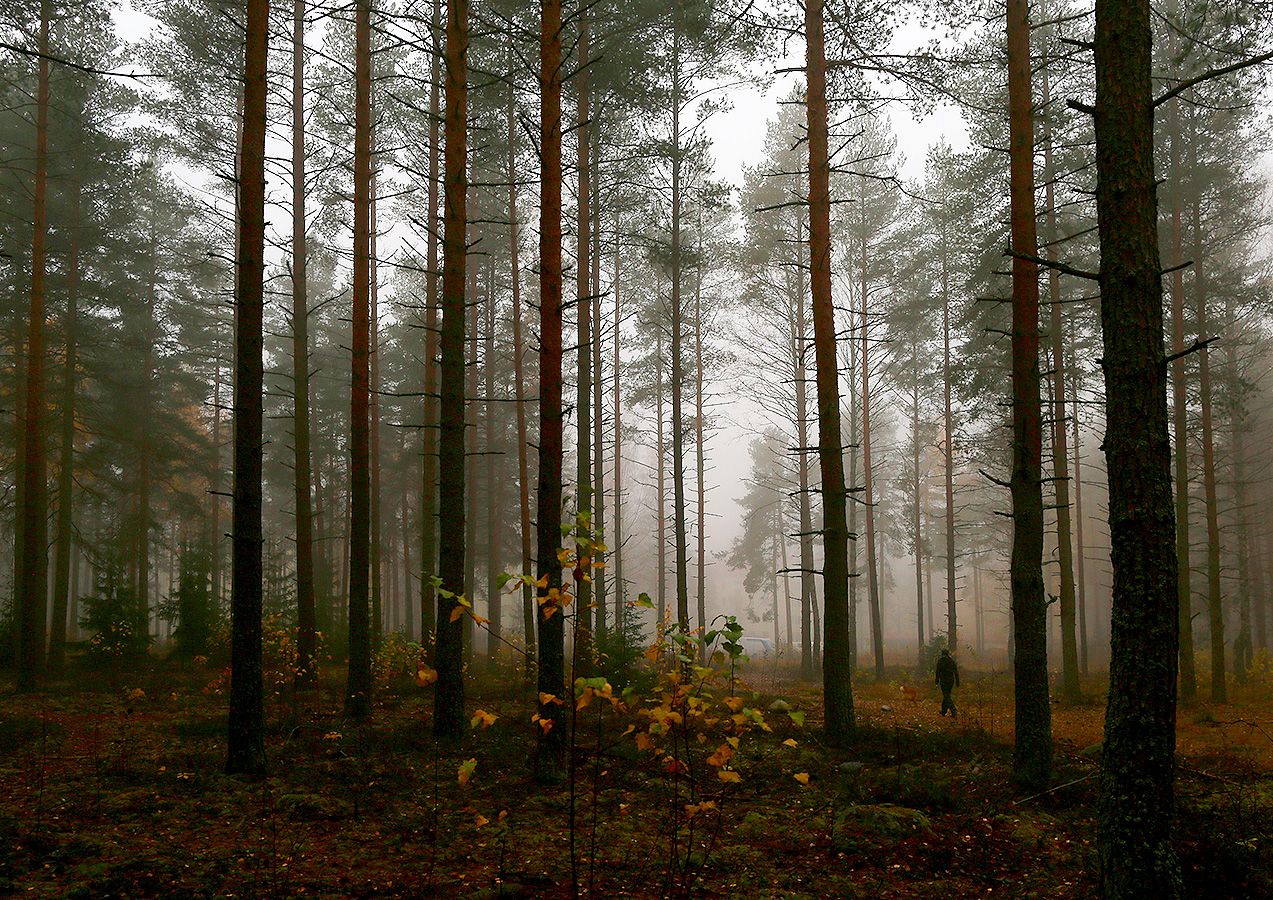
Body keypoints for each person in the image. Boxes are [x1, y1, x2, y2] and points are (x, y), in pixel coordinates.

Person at [935, 648, 959, 717]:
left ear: (942, 654)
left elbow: (937, 672)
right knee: (946, 695)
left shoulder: (941, 661)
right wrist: (957, 682)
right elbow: (956, 672)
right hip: (951, 681)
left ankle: (953, 709)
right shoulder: (951, 661)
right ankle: (943, 711)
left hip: (943, 681)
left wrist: (936, 682)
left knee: (946, 696)